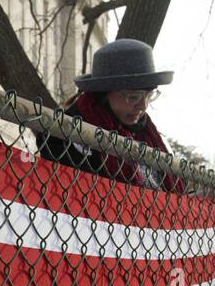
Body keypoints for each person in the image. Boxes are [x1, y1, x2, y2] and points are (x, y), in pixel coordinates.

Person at [36, 38, 186, 193]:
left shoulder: (153, 139)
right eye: (133, 97)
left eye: (149, 96)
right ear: (104, 94)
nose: (143, 106)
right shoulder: (63, 135)